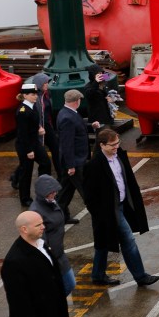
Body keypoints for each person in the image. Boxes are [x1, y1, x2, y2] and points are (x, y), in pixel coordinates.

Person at [83, 128, 159, 287]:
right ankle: (141, 276)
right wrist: (99, 214)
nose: (116, 146)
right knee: (128, 240)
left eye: (117, 143)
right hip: (109, 211)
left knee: (103, 243)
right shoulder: (94, 165)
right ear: (102, 145)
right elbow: (89, 195)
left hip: (123, 205)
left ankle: (97, 275)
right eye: (112, 145)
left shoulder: (120, 156)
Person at [1, 211, 71, 317]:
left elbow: (56, 286)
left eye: (42, 223)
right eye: (38, 225)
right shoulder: (14, 261)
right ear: (24, 229)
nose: (43, 227)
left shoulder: (42, 245)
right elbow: (18, 300)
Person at [56, 89, 100, 224]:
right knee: (86, 190)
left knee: (65, 192)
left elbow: (78, 128)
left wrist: (90, 126)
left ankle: (60, 216)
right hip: (74, 162)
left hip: (74, 161)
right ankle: (99, 216)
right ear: (77, 101)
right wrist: (71, 165)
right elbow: (67, 144)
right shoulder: (67, 118)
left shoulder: (68, 113)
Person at [30, 174, 76, 296]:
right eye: (51, 192)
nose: (54, 193)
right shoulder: (36, 212)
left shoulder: (51, 202)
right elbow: (39, 240)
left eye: (55, 191)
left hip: (59, 254)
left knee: (69, 283)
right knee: (58, 288)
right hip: (49, 259)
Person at [15, 83, 52, 207]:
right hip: (26, 145)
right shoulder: (23, 111)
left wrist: (39, 128)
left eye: (36, 94)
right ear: (25, 95)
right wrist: (29, 150)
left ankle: (43, 191)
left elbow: (33, 123)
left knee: (46, 163)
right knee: (26, 171)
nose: (35, 96)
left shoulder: (32, 106)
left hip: (34, 141)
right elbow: (22, 133)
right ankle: (25, 198)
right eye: (32, 94)